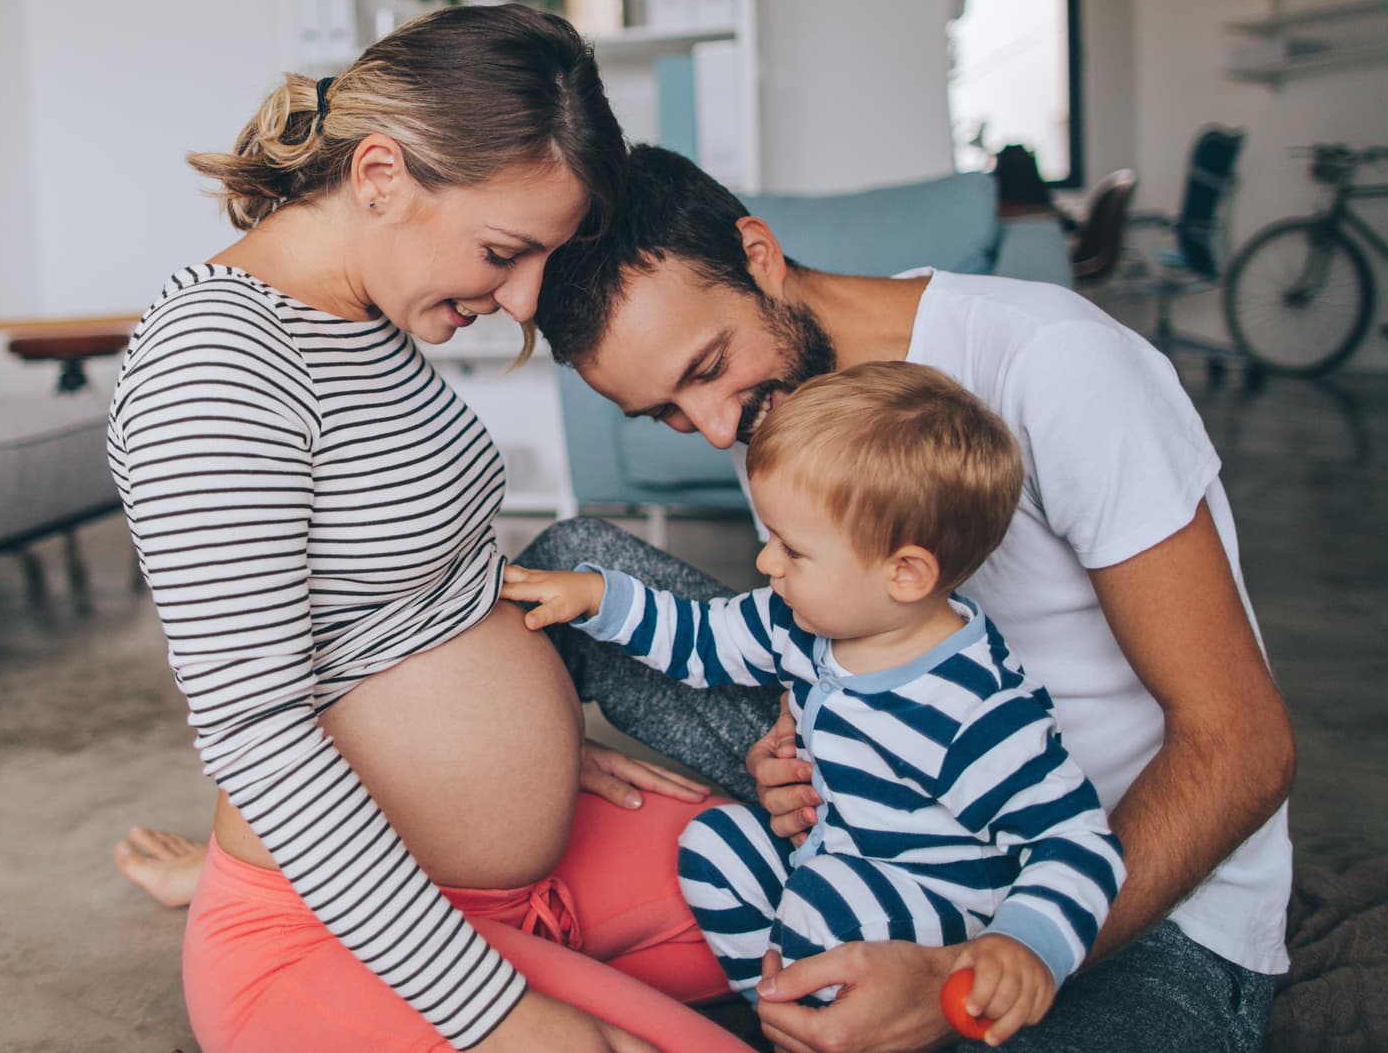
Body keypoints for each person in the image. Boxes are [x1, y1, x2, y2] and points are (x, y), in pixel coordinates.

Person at [526, 145, 1295, 1053]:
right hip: (888, 816)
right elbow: (828, 623)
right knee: (566, 566)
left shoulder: (1052, 364)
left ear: (759, 255)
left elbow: (1242, 744)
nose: (715, 430)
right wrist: (788, 730)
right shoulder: (766, 401)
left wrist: (972, 971)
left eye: (705, 369)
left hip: (1120, 892)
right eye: (665, 413)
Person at [107, 9, 751, 1052]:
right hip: (332, 929)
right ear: (378, 177)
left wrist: (526, 754)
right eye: (505, 251)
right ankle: (231, 905)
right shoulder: (216, 366)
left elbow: (407, 600)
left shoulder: (364, 310)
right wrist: (502, 1017)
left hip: (510, 866)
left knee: (824, 907)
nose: (525, 299)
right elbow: (256, 733)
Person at [502, 362, 1127, 1048]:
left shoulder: (972, 709)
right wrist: (597, 599)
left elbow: (1074, 842)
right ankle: (784, 1014)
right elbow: (702, 638)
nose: (766, 564)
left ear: (905, 573)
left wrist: (1024, 944)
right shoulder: (803, 621)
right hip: (831, 853)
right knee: (713, 846)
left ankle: (817, 1008)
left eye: (792, 550)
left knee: (825, 901)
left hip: (931, 909)